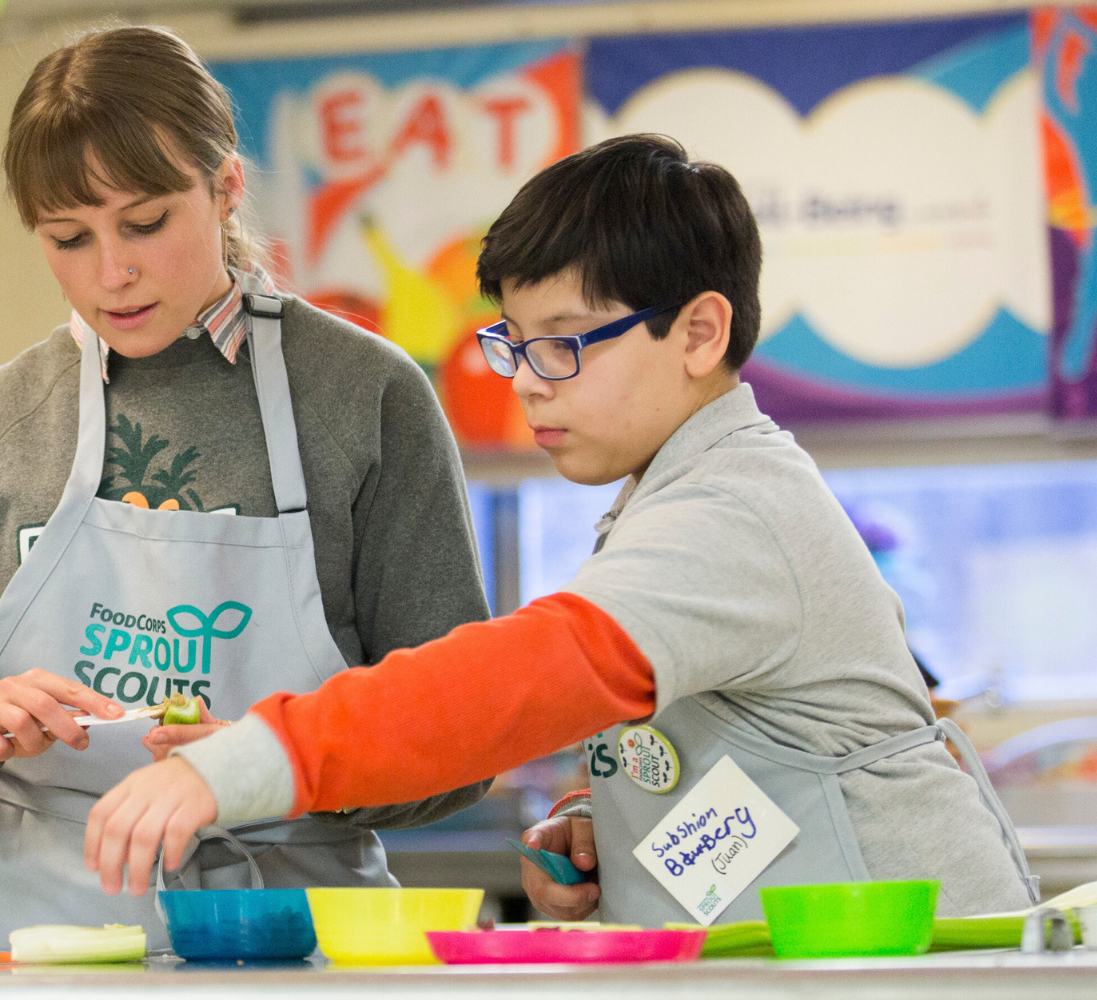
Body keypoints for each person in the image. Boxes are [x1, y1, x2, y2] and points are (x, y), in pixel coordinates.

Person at [85, 134, 1038, 925]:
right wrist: (603, 819)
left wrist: (256, 758)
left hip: (915, 965)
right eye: (514, 343)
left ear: (701, 333)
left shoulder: (735, 506)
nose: (528, 380)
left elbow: (533, 672)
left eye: (564, 344)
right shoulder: (662, 494)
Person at [0, 24, 492, 951]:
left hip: (295, 944)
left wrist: (278, 761)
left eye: (145, 223)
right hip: (42, 946)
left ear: (225, 189)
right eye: (67, 238)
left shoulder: (366, 398)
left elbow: (459, 739)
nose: (111, 273)